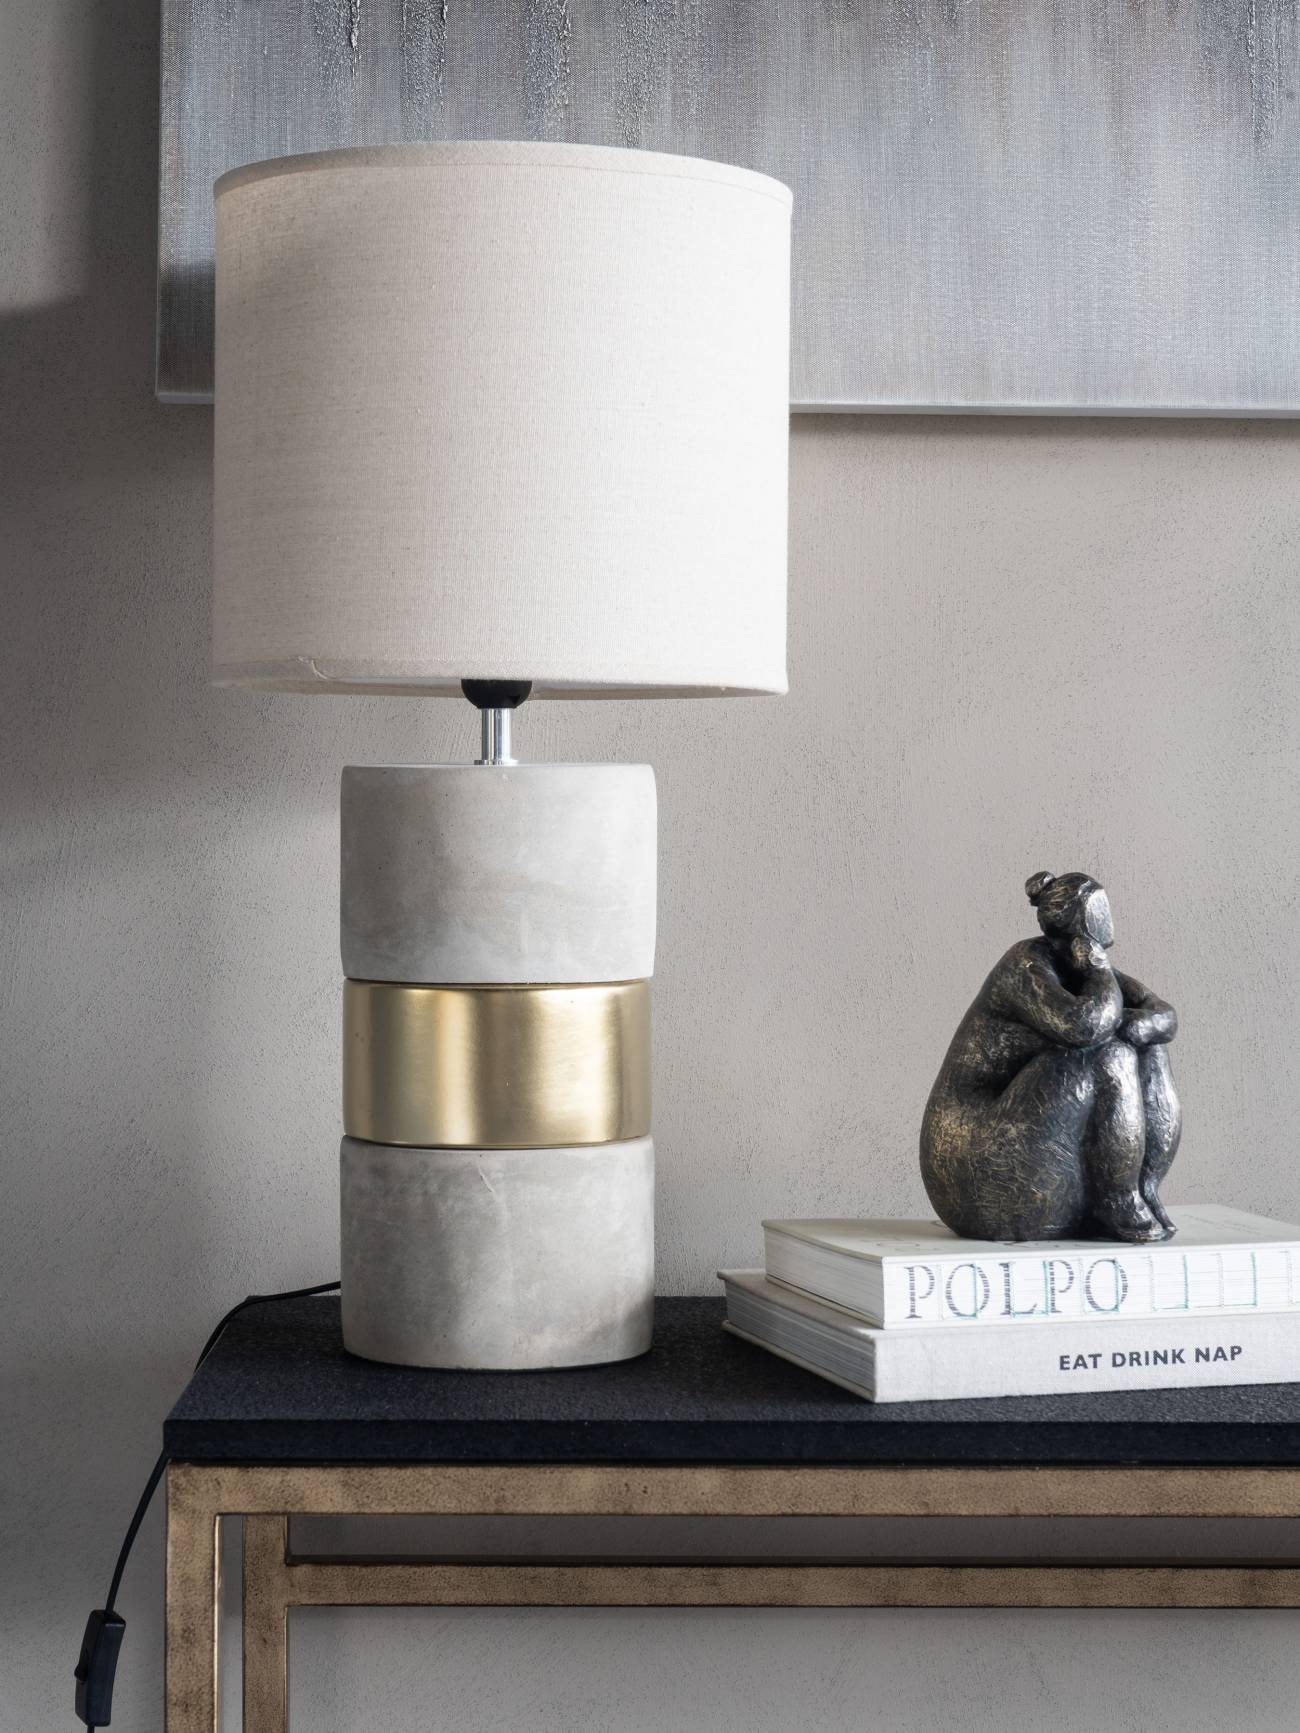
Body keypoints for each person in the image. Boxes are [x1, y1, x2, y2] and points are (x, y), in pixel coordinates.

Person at [920, 871, 1180, 1243]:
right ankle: (1116, 1197)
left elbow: (1163, 1016)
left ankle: (1143, 1186)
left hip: (1035, 1158)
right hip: (974, 1169)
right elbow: (1085, 1026)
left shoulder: (1081, 966)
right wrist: (1099, 971)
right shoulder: (1025, 965)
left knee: (1149, 1045)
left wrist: (1136, 1023)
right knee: (1110, 1055)